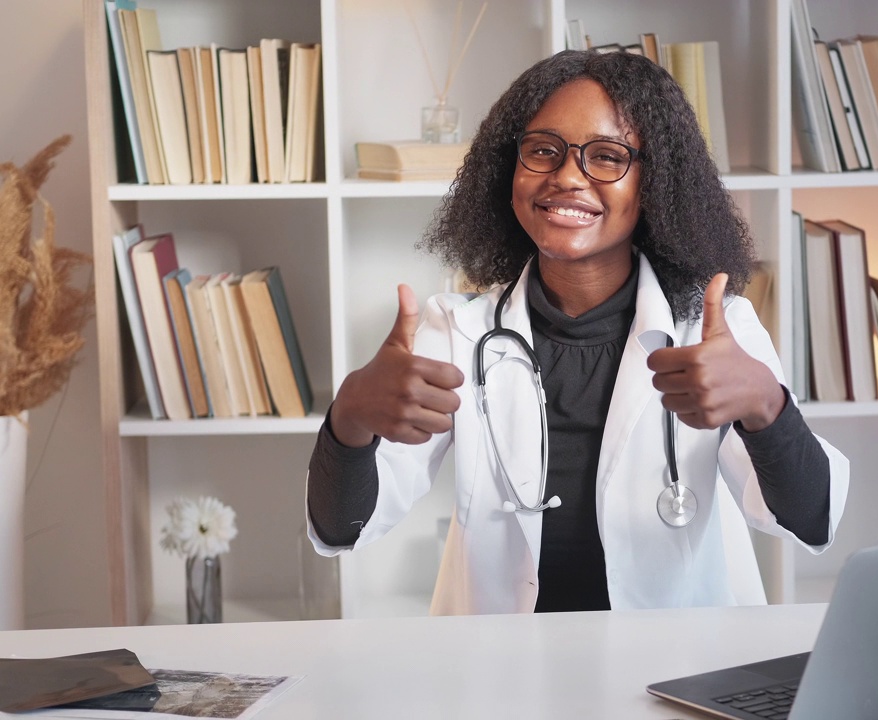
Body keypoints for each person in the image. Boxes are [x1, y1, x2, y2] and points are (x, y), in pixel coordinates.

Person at [306, 50, 850, 615]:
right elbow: (343, 528)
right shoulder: (456, 331)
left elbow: (809, 521)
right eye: (543, 151)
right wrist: (350, 418)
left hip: (672, 666)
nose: (566, 177)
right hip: (501, 676)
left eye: (607, 157)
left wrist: (766, 404)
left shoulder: (714, 329)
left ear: (655, 183)